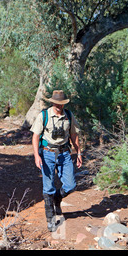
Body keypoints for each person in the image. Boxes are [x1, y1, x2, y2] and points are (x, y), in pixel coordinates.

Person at [30, 90, 82, 232]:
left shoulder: (69, 116)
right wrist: (36, 155)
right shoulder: (44, 116)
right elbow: (35, 136)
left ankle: (57, 199)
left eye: (62, 104)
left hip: (64, 153)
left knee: (70, 185)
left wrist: (78, 153)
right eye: (57, 103)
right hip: (47, 153)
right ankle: (51, 219)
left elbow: (73, 135)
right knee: (48, 186)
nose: (59, 106)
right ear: (52, 102)